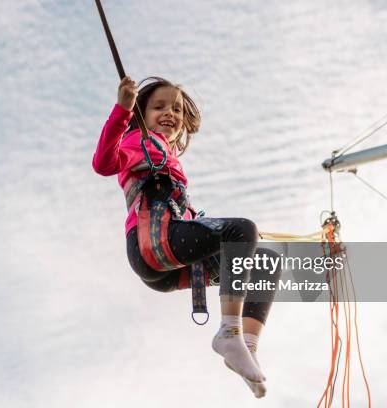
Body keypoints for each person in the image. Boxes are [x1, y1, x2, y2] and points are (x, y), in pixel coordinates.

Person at [92, 76, 279, 398]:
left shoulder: (165, 154)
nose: (170, 113)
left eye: (176, 109)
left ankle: (246, 347)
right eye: (159, 106)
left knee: (265, 261)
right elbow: (103, 163)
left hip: (170, 266)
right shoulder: (138, 140)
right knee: (241, 229)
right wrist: (122, 110)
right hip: (150, 245)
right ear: (141, 114)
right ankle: (229, 333)